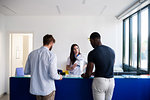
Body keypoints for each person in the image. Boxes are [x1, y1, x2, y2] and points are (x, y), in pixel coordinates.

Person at [24, 34, 62, 100]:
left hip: (36, 89)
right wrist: (59, 77)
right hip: (47, 89)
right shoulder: (51, 55)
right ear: (51, 43)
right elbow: (53, 75)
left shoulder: (32, 54)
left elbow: (26, 71)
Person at [81, 32, 115, 100]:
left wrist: (84, 75)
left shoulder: (93, 53)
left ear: (93, 40)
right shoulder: (111, 51)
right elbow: (109, 66)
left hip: (100, 82)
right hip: (111, 81)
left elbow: (88, 74)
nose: (91, 44)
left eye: (91, 41)